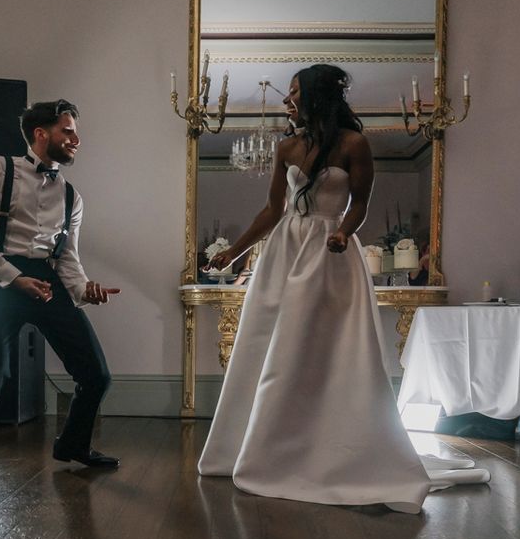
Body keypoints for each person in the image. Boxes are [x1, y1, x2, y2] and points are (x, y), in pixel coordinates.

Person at [198, 64, 489, 513]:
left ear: (315, 96)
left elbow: (360, 205)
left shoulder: (354, 144)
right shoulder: (286, 147)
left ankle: (330, 447)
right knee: (269, 345)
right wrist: (234, 253)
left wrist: (341, 233)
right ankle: (258, 445)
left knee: (322, 347)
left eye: (293, 92)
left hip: (331, 252)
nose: (286, 100)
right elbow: (272, 209)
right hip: (284, 252)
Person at [0, 99, 121, 499]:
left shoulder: (71, 196)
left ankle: (72, 445)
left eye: (75, 131)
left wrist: (85, 290)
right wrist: (14, 280)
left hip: (48, 282)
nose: (76, 139)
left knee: (96, 375)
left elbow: (67, 259)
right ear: (41, 133)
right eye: (67, 130)